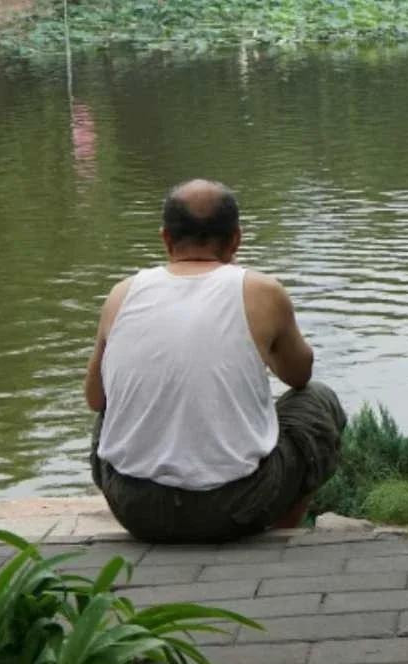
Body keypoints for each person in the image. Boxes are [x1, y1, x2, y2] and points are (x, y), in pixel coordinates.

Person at [85, 179, 347, 543]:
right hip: (235, 508)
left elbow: (95, 398)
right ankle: (281, 534)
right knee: (319, 399)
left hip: (136, 510)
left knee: (108, 413)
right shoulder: (262, 291)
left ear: (165, 238)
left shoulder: (122, 293)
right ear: (236, 239)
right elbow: (300, 375)